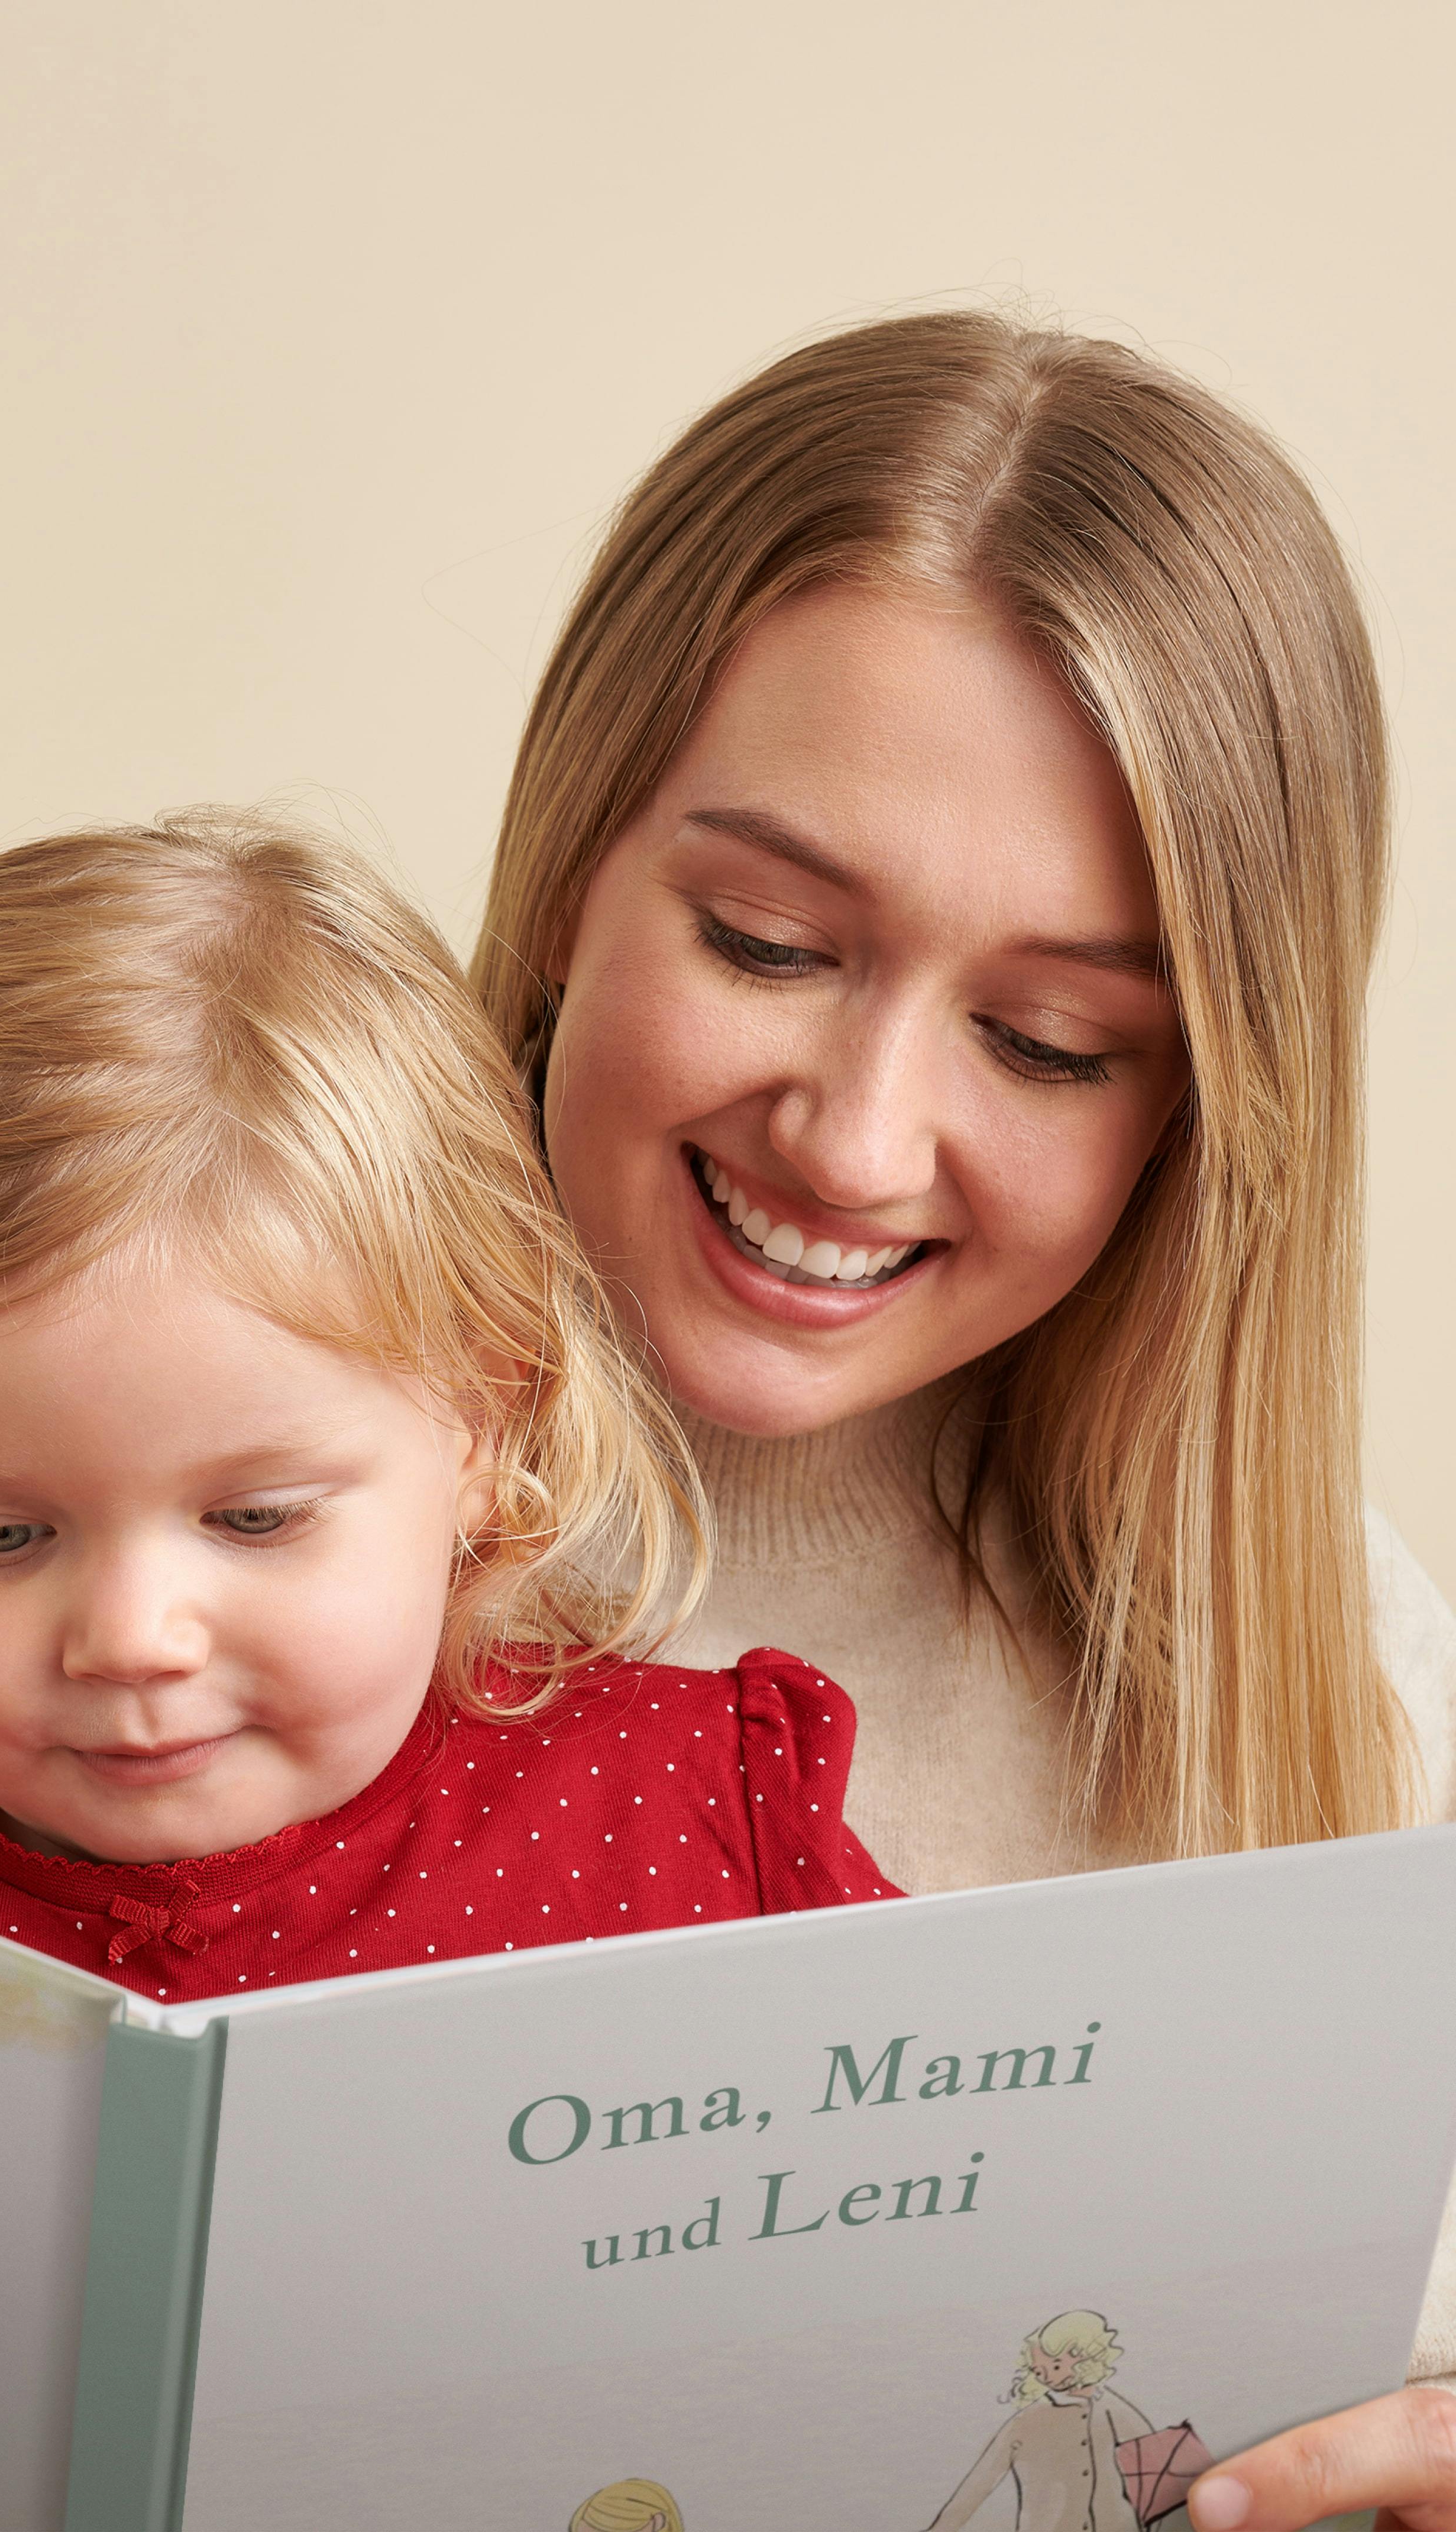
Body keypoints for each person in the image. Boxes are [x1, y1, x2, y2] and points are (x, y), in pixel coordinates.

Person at [467, 311, 1456, 2525]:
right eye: (767, 938)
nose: (860, 1137)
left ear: (1199, 1115)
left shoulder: (1306, 1665)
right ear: (565, 871)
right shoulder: (97, 1432)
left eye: (1052, 1044)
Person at [0, 815, 897, 1994]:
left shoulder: (701, 1830)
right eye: (0, 1536)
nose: (131, 1641)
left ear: (485, 1415)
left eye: (256, 1519)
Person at [923, 2311, 1156, 2532]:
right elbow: (978, 2484)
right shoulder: (1027, 2422)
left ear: (1086, 2355)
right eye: (1038, 2371)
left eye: (1055, 2366)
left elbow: (1157, 2467)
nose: (1046, 2376)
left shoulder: (1113, 2409)